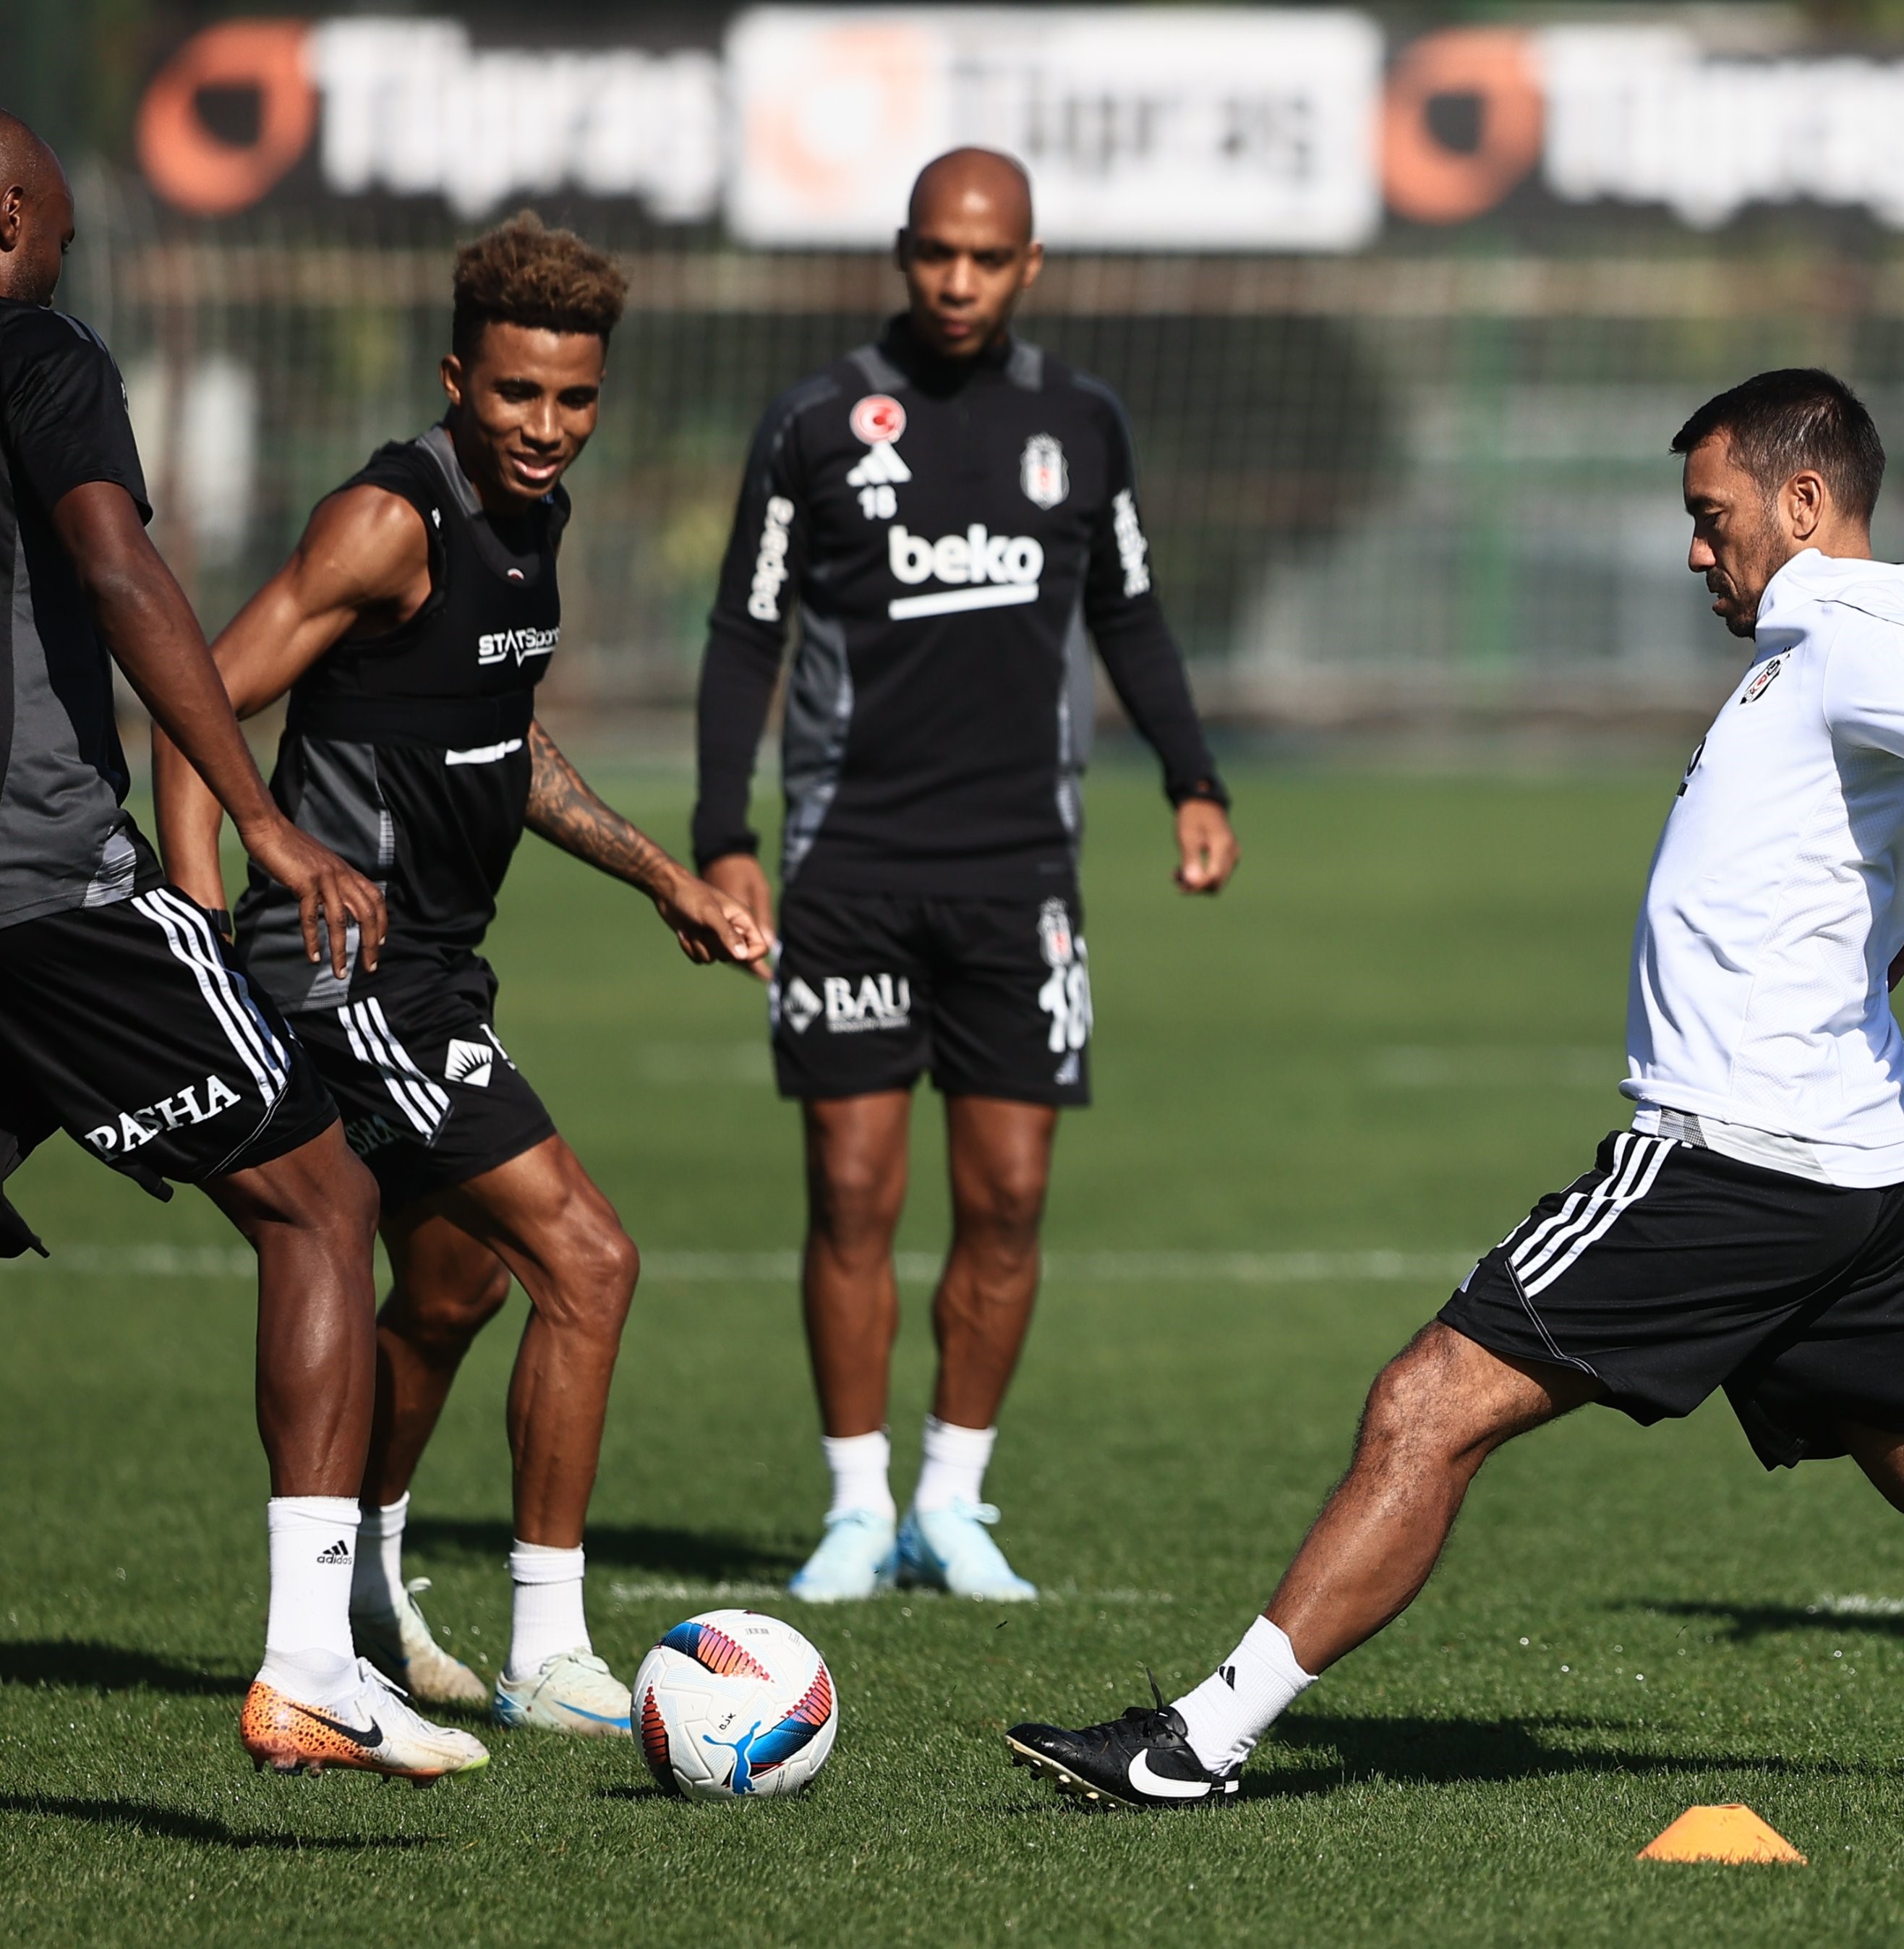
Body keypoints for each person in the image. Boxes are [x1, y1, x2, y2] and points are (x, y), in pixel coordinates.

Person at [1005, 369, 1904, 1808]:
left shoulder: (1849, 638)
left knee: (1424, 1404)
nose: (1693, 549)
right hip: (1828, 1164)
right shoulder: (1825, 649)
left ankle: (1195, 1742)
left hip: (1732, 1161)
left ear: (1800, 501)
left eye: (1710, 519)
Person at [155, 214, 764, 1737]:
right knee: (590, 1258)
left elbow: (504, 740)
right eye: (514, 397)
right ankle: (548, 1645)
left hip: (437, 965)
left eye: (573, 400)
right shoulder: (389, 520)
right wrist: (201, 896)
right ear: (454, 378)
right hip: (343, 971)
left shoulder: (527, 519)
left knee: (448, 1284)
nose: (546, 429)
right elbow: (189, 704)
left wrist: (660, 876)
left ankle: (357, 1590)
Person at [0, 112, 486, 1780]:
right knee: (322, 1196)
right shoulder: (38, 342)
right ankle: (309, 1664)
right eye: (63, 223)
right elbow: (116, 561)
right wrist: (259, 817)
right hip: (44, 888)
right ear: (15, 219)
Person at [693, 148, 1236, 1605]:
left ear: (1029, 266)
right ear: (900, 251)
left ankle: (954, 1498)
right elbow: (746, 631)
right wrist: (719, 831)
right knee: (851, 1186)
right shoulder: (815, 420)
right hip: (847, 862)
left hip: (1020, 871)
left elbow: (1130, 613)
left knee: (1004, 1198)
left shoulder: (1080, 422)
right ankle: (857, 1504)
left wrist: (1193, 779)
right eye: (935, 252)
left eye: (986, 259)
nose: (956, 280)